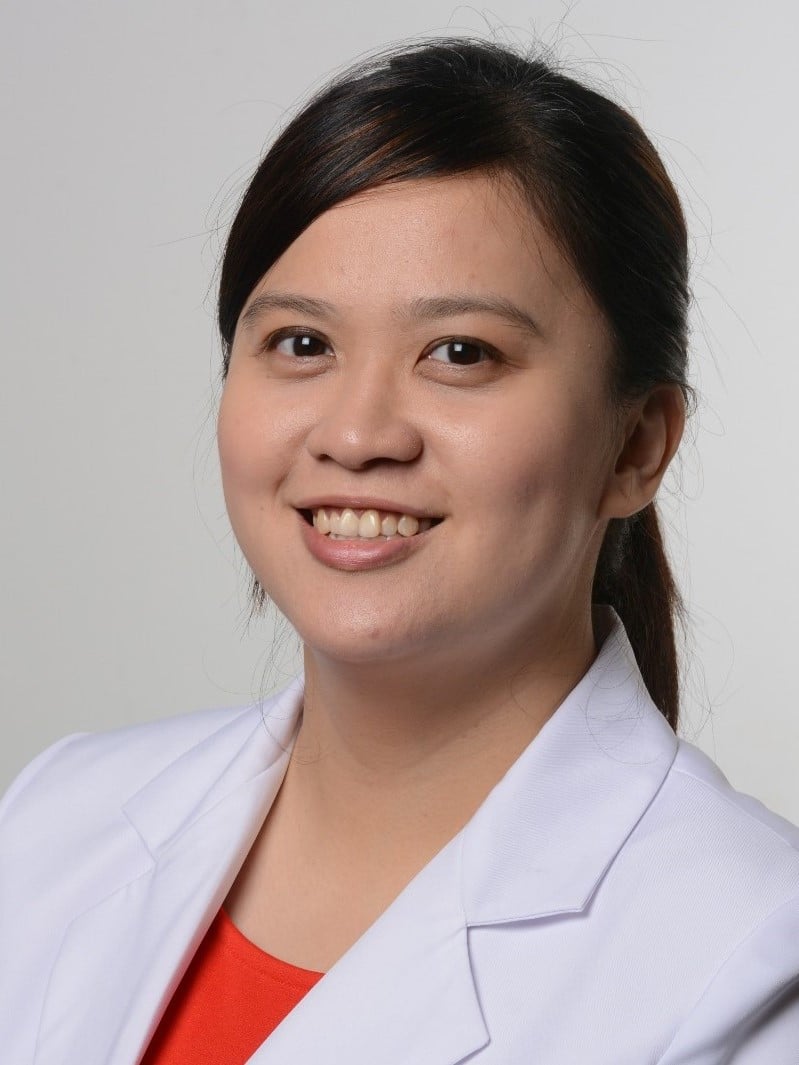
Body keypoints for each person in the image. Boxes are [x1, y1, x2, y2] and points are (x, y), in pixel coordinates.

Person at [2, 35, 798, 1065]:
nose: (356, 432)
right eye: (301, 344)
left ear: (636, 446)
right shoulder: (56, 821)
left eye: (460, 353)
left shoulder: (747, 959)